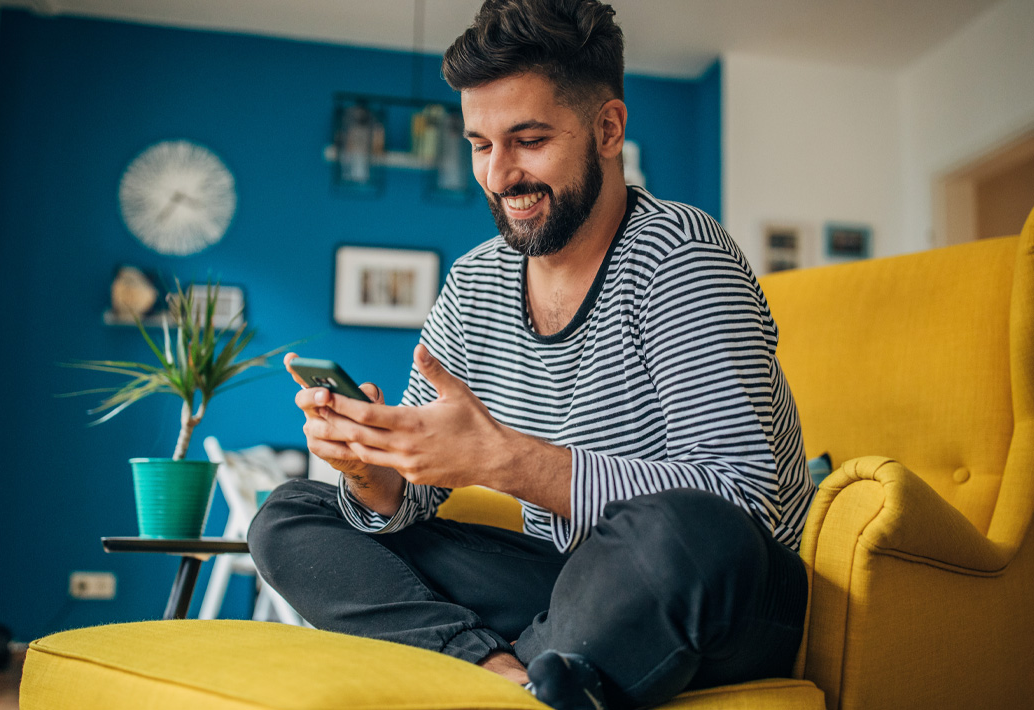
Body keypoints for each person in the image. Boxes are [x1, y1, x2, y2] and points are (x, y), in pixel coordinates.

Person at [249, 1, 817, 708]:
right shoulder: (475, 281)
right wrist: (372, 470)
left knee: (681, 527)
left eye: (529, 139)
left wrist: (502, 460)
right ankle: (509, 676)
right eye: (481, 145)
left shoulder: (682, 256)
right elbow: (412, 499)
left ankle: (539, 661)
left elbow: (740, 505)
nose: (499, 175)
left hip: (721, 587)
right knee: (291, 513)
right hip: (573, 578)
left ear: (608, 129)